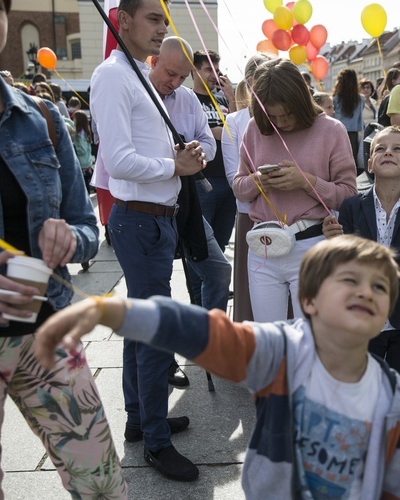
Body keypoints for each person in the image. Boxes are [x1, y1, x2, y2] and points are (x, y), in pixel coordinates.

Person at [35, 235, 400, 500]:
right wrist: (116, 310)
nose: (366, 291)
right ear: (308, 300)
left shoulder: (395, 399)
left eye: (380, 287)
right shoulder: (282, 351)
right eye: (350, 280)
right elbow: (211, 334)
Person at [0, 0, 126, 497]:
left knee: (102, 483)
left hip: (48, 329)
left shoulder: (44, 119)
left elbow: (87, 226)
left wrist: (71, 238)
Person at [89, 0, 207, 482]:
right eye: (154, 19)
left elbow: (145, 146)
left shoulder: (138, 72)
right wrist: (171, 167)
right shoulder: (114, 75)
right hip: (137, 221)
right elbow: (117, 160)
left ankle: (141, 420)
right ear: (125, 21)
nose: (162, 29)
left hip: (156, 220)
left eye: (165, 20)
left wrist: (180, 155)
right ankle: (156, 442)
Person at [233, 59, 357, 322]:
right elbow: (239, 187)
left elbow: (348, 194)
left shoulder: (331, 130)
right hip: (263, 245)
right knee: (270, 338)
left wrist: (306, 181)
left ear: (300, 100)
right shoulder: (255, 128)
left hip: (311, 244)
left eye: (287, 114)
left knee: (312, 337)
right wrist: (259, 181)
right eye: (272, 116)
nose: (280, 122)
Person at [322, 127, 400, 386]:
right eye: (380, 148)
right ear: (370, 164)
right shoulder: (352, 206)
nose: (388, 152)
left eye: (397, 148)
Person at [149, 36, 232, 385]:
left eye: (182, 77)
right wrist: (175, 161)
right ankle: (171, 359)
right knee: (163, 287)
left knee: (213, 268)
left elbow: (212, 142)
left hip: (197, 196)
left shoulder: (188, 99)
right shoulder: (138, 91)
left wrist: (197, 150)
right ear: (154, 63)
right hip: (152, 204)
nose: (176, 83)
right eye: (172, 74)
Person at [222, 53, 273, 322]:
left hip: (290, 217)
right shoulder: (235, 122)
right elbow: (236, 181)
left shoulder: (289, 117)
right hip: (250, 217)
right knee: (251, 295)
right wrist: (267, 180)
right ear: (252, 82)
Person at [191, 49, 237, 254]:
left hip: (229, 179)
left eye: (217, 70)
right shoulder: (188, 99)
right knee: (200, 241)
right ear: (194, 70)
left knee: (220, 242)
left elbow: (238, 128)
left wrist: (232, 99)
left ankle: (216, 287)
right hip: (203, 181)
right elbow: (189, 133)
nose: (215, 74)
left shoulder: (223, 101)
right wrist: (216, 132)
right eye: (209, 69)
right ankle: (197, 287)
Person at [332, 68, 365, 166]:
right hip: (353, 134)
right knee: (352, 160)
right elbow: (360, 119)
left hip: (338, 132)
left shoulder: (336, 98)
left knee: (337, 160)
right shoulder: (360, 99)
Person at [71, 109, 94, 188]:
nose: (73, 121)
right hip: (87, 162)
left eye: (74, 119)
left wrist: (73, 146)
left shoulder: (79, 135)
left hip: (82, 163)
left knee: (82, 185)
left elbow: (82, 149)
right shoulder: (86, 132)